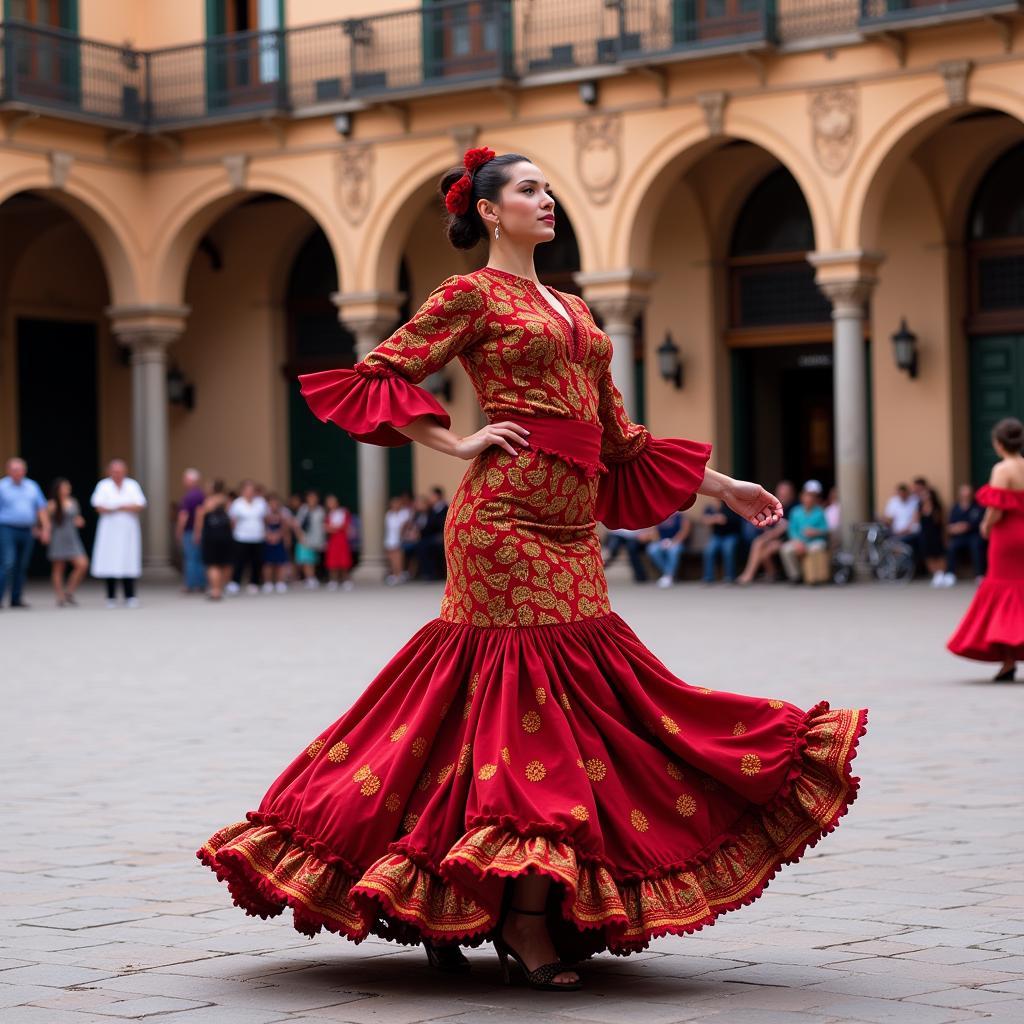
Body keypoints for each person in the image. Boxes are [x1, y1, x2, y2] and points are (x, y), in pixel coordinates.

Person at [199, 146, 866, 989]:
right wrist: (456, 441)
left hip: (572, 527)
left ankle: (454, 888)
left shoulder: (579, 309)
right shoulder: (470, 294)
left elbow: (620, 439)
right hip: (502, 519)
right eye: (528, 189)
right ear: (486, 209)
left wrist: (725, 486)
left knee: (542, 700)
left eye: (548, 188)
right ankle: (521, 914)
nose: (546, 200)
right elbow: (378, 377)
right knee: (529, 699)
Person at [948, 418, 1024, 681]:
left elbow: (997, 508)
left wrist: (985, 525)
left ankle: (1008, 660)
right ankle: (1009, 660)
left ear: (998, 443)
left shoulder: (1002, 469)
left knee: (1002, 591)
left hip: (1007, 537)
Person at [90, 459, 146, 608]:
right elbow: (99, 506)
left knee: (128, 560)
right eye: (114, 471)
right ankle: (110, 596)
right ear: (109, 472)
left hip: (128, 531)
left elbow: (139, 505)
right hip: (109, 531)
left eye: (120, 471)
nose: (117, 474)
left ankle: (130, 595)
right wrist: (122, 506)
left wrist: (115, 506)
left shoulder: (132, 485)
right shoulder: (103, 485)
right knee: (110, 561)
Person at [0, 457, 50, 609]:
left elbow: (40, 508)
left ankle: (16, 598)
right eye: (14, 470)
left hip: (28, 530)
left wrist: (45, 528)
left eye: (20, 469)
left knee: (22, 565)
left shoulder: (32, 486)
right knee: (8, 562)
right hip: (7, 528)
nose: (18, 472)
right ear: (8, 471)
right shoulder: (2, 486)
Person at [736, 480, 796, 585]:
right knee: (761, 546)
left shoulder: (794, 508)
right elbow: (771, 524)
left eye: (785, 493)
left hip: (788, 539)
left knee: (760, 544)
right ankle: (771, 574)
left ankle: (749, 575)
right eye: (780, 493)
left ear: (791, 494)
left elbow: (786, 527)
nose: (782, 495)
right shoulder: (775, 506)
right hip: (776, 539)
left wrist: (769, 535)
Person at [47, 478, 88, 607]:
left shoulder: (73, 502)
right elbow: (45, 521)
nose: (67, 490)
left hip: (72, 537)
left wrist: (79, 520)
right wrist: (45, 532)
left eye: (68, 487)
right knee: (59, 568)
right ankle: (60, 596)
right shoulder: (52, 504)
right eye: (64, 487)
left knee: (82, 564)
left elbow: (77, 517)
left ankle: (69, 591)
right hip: (58, 537)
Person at [780, 480, 830, 583]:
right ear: (802, 497)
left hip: (815, 541)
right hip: (799, 541)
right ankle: (796, 576)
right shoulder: (795, 512)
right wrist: (797, 542)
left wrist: (815, 532)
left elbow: (825, 530)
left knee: (815, 548)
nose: (808, 499)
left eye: (811, 496)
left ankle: (814, 577)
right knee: (786, 549)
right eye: (806, 496)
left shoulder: (819, 512)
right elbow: (792, 529)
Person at [227, 480, 267, 595]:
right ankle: (235, 582)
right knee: (239, 561)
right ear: (242, 491)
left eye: (252, 490)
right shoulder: (237, 503)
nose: (250, 492)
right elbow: (232, 521)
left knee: (256, 562)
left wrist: (265, 532)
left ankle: (254, 583)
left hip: (257, 537)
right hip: (241, 537)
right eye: (247, 490)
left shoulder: (261, 502)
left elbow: (265, 518)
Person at [196, 480, 233, 601]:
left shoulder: (209, 501)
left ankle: (215, 590)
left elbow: (200, 517)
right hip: (225, 535)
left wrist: (198, 534)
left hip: (211, 535)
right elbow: (232, 520)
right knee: (224, 563)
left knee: (213, 564)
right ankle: (221, 588)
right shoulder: (227, 501)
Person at [942, 484, 986, 586]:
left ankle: (979, 574)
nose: (966, 495)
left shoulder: (978, 506)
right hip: (959, 536)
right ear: (960, 495)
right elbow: (950, 525)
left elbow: (979, 522)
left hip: (974, 535)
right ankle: (950, 574)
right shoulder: (955, 507)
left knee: (977, 545)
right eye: (964, 493)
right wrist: (955, 528)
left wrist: (968, 526)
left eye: (968, 493)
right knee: (952, 546)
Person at [175, 468, 207, 594]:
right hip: (198, 531)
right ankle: (200, 583)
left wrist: (179, 531)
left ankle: (190, 584)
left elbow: (185, 516)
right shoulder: (201, 495)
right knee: (198, 558)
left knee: (190, 559)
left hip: (190, 531)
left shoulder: (189, 496)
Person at [642, 511, 691, 588]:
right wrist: (660, 541)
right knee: (652, 549)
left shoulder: (681, 516)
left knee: (673, 551)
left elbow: (684, 531)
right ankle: (669, 575)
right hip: (662, 542)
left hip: (677, 542)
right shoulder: (659, 515)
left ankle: (668, 576)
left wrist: (673, 542)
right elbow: (655, 532)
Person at [701, 500, 744, 583]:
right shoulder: (710, 506)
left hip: (731, 535)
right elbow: (704, 520)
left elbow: (735, 520)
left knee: (728, 550)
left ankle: (729, 576)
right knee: (709, 551)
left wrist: (723, 519)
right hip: (716, 536)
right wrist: (715, 519)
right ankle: (708, 577)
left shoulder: (730, 504)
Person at [294, 490, 326, 588]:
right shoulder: (303, 509)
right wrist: (300, 537)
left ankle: (312, 577)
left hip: (317, 539)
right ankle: (310, 578)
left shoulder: (321, 510)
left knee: (314, 560)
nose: (312, 499)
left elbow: (324, 525)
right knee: (307, 560)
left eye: (314, 497)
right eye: (310, 497)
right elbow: (297, 525)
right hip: (305, 538)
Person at [324, 494, 355, 591]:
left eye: (332, 502)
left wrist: (333, 528)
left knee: (344, 560)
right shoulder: (328, 514)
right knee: (332, 561)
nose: (330, 504)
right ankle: (333, 580)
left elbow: (346, 526)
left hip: (342, 540)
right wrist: (334, 528)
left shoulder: (343, 512)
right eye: (329, 502)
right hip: (333, 541)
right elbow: (326, 528)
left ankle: (346, 580)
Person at [918, 487, 948, 588]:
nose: (924, 497)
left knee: (939, 554)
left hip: (936, 533)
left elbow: (942, 522)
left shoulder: (937, 507)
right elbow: (916, 520)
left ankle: (941, 574)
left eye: (926, 495)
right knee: (928, 555)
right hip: (925, 534)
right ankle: (935, 574)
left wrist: (945, 536)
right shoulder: (919, 507)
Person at [417, 486, 448, 581]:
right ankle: (429, 573)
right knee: (422, 545)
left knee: (430, 545)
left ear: (437, 496)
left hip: (441, 536)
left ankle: (438, 573)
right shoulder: (432, 509)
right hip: (433, 536)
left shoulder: (445, 508)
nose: (430, 498)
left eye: (432, 495)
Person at [262, 493, 292, 594]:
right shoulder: (265, 514)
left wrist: (279, 535)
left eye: (276, 503)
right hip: (268, 540)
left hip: (279, 540)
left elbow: (286, 527)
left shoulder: (283, 513)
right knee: (268, 563)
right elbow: (262, 526)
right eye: (271, 503)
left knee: (281, 563)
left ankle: (280, 582)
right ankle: (268, 582)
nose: (274, 504)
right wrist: (268, 535)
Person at [384, 494, 413, 585]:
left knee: (398, 557)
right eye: (393, 504)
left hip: (400, 538)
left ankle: (399, 574)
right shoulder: (389, 514)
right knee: (391, 558)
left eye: (397, 503)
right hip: (390, 538)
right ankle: (394, 574)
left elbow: (406, 525)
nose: (395, 505)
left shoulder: (404, 513)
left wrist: (402, 533)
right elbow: (388, 528)